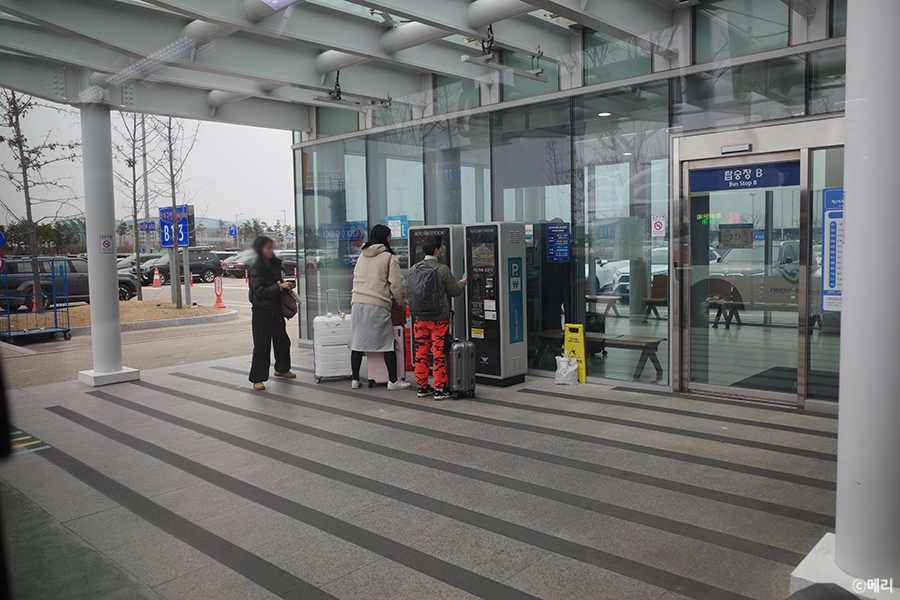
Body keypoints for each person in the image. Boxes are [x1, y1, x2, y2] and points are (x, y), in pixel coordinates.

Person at [349, 224, 410, 390]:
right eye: (390, 236)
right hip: (377, 304)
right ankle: (393, 381)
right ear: (385, 238)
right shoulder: (389, 258)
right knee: (387, 342)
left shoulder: (362, 255)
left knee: (357, 342)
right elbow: (397, 285)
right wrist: (402, 303)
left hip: (357, 303)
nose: (391, 240)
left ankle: (355, 380)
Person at [410, 235, 466, 400]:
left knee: (421, 353)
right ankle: (440, 388)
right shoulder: (442, 269)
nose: (442, 250)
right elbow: (455, 291)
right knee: (439, 353)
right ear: (436, 250)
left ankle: (422, 386)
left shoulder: (414, 268)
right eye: (441, 247)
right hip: (439, 319)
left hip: (420, 319)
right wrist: (463, 282)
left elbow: (409, 293)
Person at [248, 236, 295, 390]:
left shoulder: (274, 264)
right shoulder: (255, 268)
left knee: (282, 341)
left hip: (276, 309)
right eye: (267, 247)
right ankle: (257, 378)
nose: (270, 250)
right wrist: (280, 286)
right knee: (262, 345)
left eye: (271, 247)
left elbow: (277, 284)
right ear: (259, 249)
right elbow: (259, 291)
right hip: (262, 310)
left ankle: (281, 369)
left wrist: (286, 285)